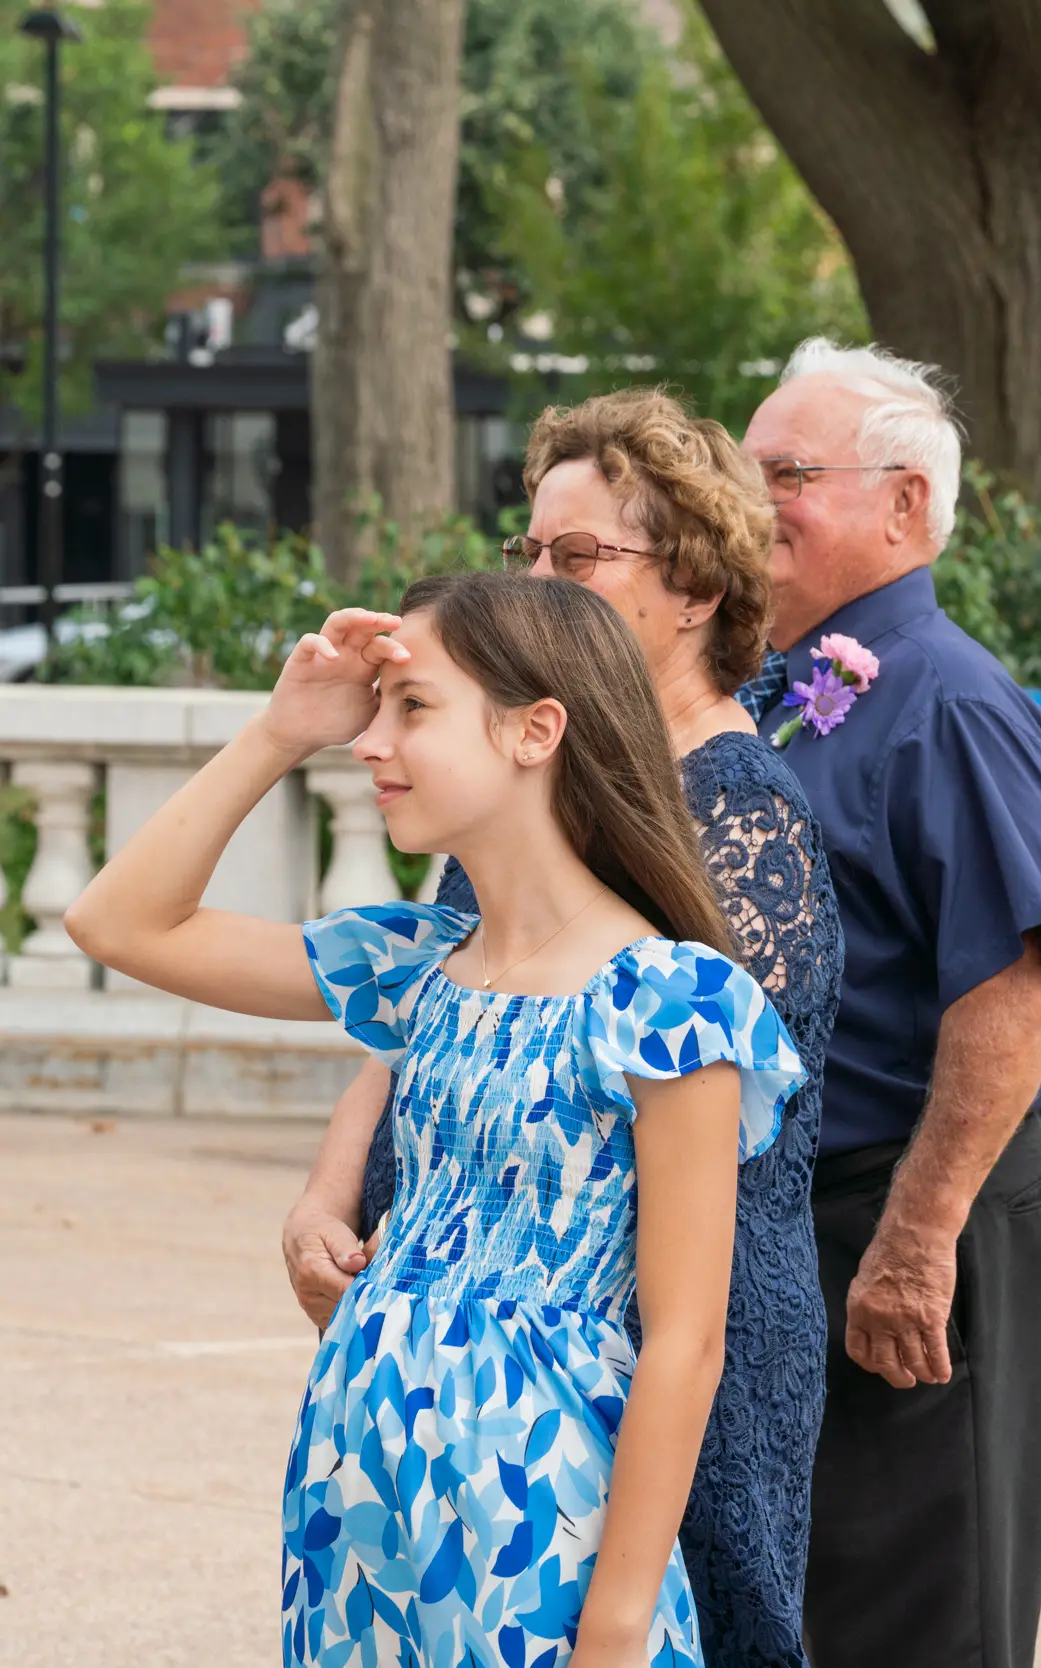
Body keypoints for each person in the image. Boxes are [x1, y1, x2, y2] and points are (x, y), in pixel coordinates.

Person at [68, 575, 807, 1666]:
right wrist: (281, 731)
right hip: (359, 1499)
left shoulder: (667, 1000)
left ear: (534, 730)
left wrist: (615, 1617)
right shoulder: (417, 966)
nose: (371, 742)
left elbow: (686, 1342)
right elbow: (118, 921)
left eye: (411, 707)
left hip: (536, 1521)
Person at [279, 390, 841, 1668]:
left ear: (695, 586)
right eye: (528, 550)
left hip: (665, 1330)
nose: (539, 577)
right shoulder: (510, 779)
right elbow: (433, 996)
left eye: (577, 556)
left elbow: (662, 1096)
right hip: (484, 1341)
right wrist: (332, 1189)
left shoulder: (740, 812)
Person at [738, 340, 1041, 1668]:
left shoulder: (950, 701)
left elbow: (1011, 990)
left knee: (928, 1609)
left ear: (906, 510)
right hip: (805, 1213)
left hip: (928, 1203)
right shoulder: (783, 692)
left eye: (790, 472)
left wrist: (916, 1239)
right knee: (817, 1600)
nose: (753, 495)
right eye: (744, 463)